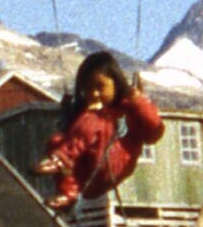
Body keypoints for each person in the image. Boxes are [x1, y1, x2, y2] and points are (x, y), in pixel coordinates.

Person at [35, 49, 162, 211]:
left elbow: (154, 132)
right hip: (90, 177)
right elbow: (78, 137)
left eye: (100, 87)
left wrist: (138, 102)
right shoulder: (85, 114)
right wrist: (69, 113)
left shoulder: (127, 108)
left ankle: (61, 159)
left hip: (115, 161)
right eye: (87, 89)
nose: (94, 94)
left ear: (115, 84)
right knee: (56, 140)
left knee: (94, 120)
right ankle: (68, 193)